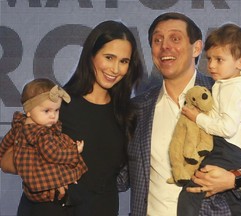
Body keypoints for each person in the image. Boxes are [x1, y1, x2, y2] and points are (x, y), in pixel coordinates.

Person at [128, 12, 241, 216]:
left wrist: (234, 178)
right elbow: (118, 175)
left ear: (197, 48)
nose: (165, 46)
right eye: (157, 40)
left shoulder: (224, 91)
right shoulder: (138, 108)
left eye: (175, 38)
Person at [1, 20, 143, 216]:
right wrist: (48, 172)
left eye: (124, 61)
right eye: (109, 57)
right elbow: (6, 161)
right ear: (91, 55)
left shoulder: (127, 113)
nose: (115, 69)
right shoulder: (58, 106)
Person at [178, 23, 241, 216]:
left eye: (219, 59)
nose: (211, 65)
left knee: (191, 190)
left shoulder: (229, 88)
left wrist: (198, 117)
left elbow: (229, 129)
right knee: (233, 199)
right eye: (210, 58)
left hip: (230, 146)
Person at [0, 78, 87, 208]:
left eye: (56, 110)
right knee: (67, 168)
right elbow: (53, 154)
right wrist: (74, 151)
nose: (53, 116)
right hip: (44, 181)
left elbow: (4, 145)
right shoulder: (42, 134)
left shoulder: (19, 126)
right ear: (28, 111)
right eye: (47, 111)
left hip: (31, 185)